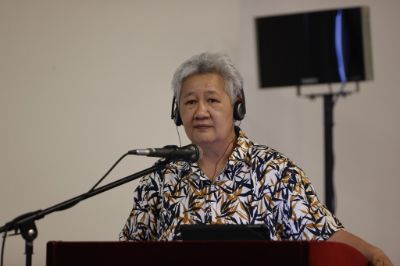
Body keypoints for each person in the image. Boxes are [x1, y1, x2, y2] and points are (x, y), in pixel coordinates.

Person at [120, 52, 393, 265]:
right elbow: (127, 250)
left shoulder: (275, 171)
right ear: (178, 112)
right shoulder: (161, 178)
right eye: (190, 102)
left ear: (237, 106)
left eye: (212, 100)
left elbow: (324, 232)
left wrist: (373, 252)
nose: (200, 111)